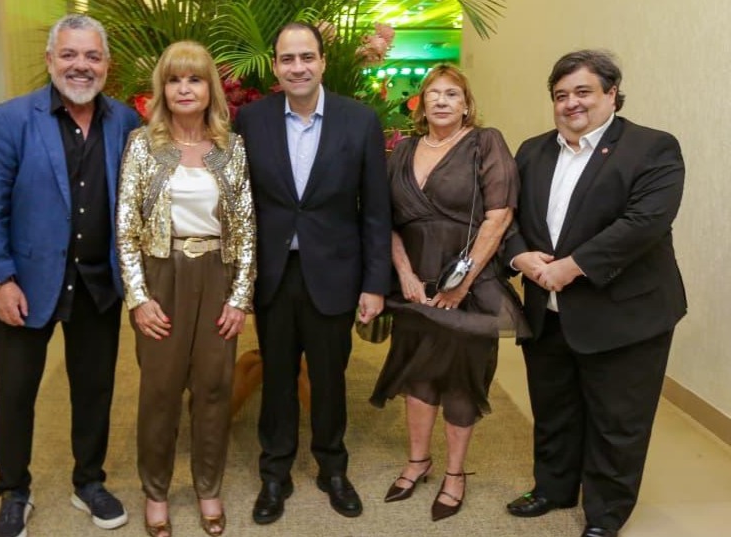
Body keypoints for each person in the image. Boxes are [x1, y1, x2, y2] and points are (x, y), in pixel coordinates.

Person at [504, 50, 686, 537]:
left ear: (611, 93)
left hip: (625, 315)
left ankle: (605, 515)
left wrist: (571, 267)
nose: (571, 103)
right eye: (560, 95)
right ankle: (553, 488)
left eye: (582, 91)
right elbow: (507, 217)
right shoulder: (532, 151)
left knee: (616, 421)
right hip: (548, 312)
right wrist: (519, 258)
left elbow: (644, 223)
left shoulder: (652, 147)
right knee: (554, 408)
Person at [0, 13, 139, 537]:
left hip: (98, 283)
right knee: (15, 393)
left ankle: (88, 481)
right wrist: (1, 280)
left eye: (91, 56)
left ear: (106, 64)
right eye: (69, 54)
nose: (80, 65)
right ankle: (13, 490)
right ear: (50, 60)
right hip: (26, 284)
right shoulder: (9, 119)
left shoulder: (126, 121)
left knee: (94, 390)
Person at [234, 21, 391, 524]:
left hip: (336, 273)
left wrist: (375, 284)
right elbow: (240, 204)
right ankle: (274, 473)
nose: (297, 67)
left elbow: (376, 211)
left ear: (323, 62)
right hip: (274, 273)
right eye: (287, 59)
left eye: (307, 57)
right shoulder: (251, 120)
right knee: (277, 376)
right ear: (275, 66)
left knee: (329, 378)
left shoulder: (358, 121)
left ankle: (332, 468)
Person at [369, 64, 529, 522]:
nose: (441, 100)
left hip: (469, 284)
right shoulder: (401, 151)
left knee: (461, 380)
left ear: (466, 104)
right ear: (421, 103)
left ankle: (455, 473)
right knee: (416, 374)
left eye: (452, 93)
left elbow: (499, 215)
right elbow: (384, 219)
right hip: (414, 285)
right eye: (433, 93)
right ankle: (418, 461)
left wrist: (462, 282)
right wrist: (403, 273)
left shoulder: (485, 142)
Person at [116, 41, 255, 537]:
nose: (184, 89)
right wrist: (139, 297)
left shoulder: (232, 148)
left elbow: (246, 227)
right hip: (162, 275)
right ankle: (156, 492)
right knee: (160, 390)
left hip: (217, 273)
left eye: (194, 79)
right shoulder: (142, 145)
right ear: (163, 89)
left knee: (215, 388)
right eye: (174, 80)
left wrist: (239, 298)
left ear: (209, 88)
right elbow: (126, 229)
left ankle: (208, 488)